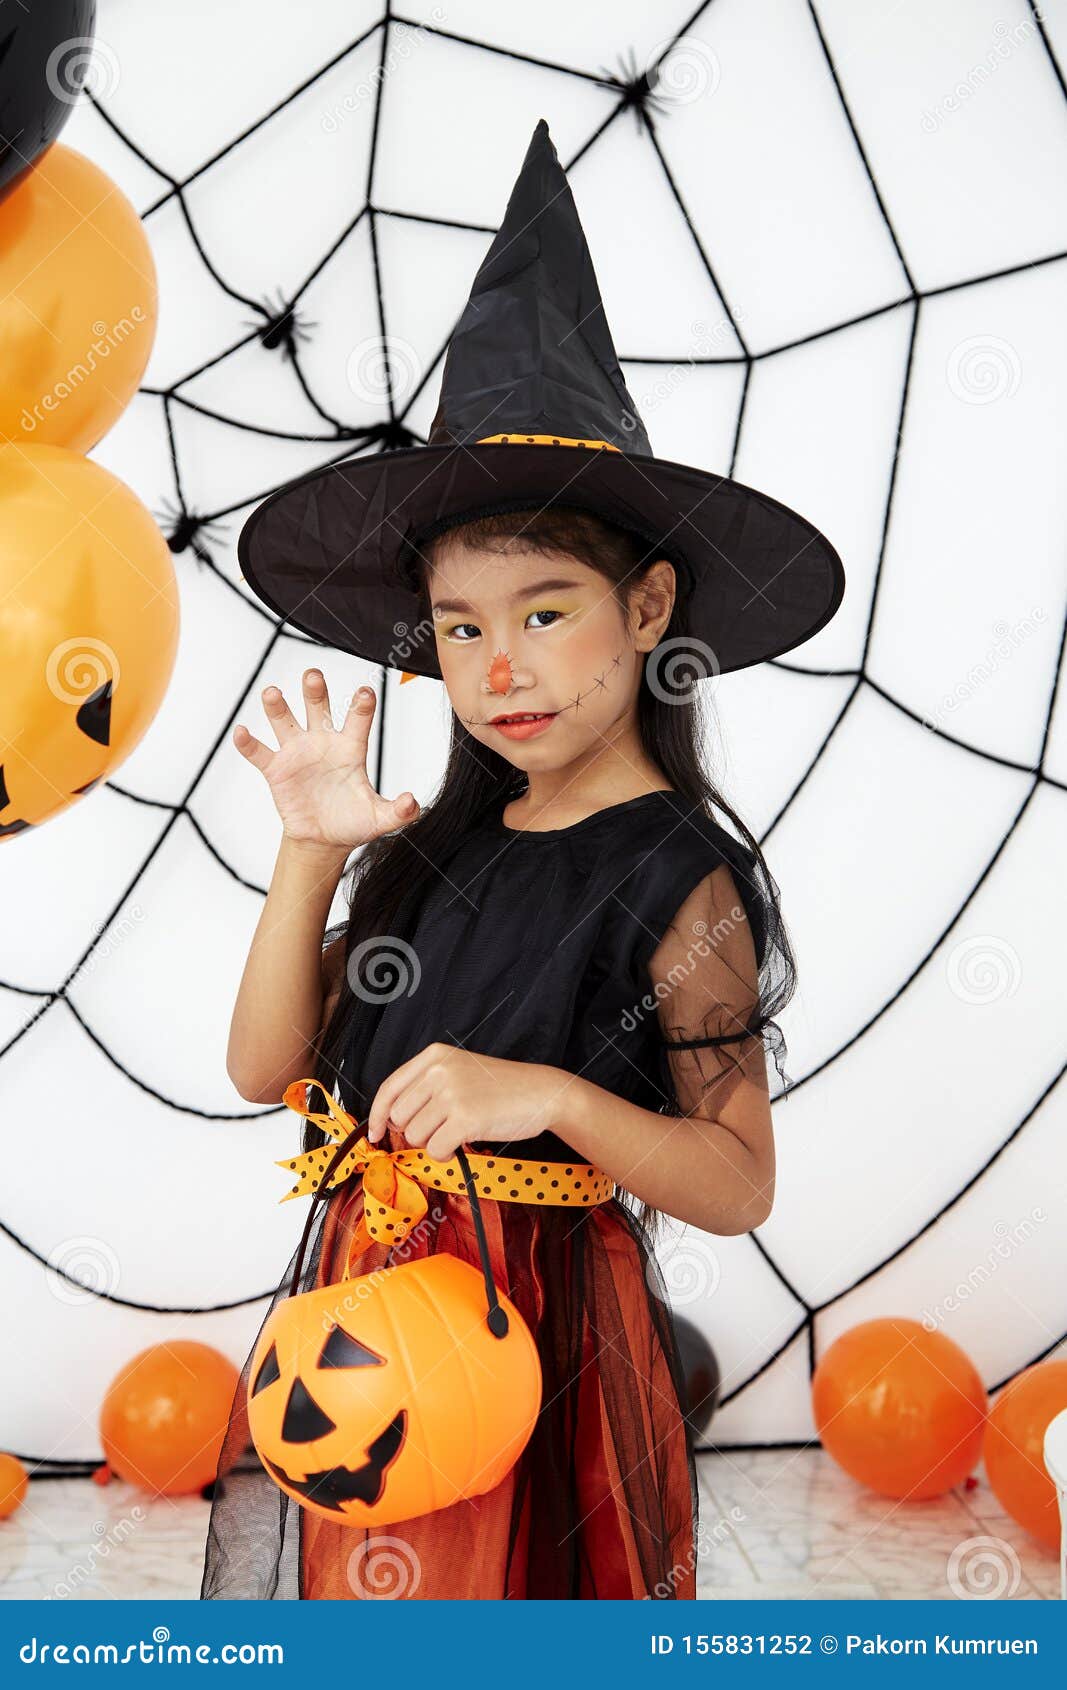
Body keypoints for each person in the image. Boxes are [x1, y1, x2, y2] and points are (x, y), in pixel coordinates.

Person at [199, 119, 843, 1602]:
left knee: (519, 1612)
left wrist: (544, 1093)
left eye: (548, 610)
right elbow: (261, 1067)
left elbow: (736, 1180)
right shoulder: (435, 846)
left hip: (535, 1332)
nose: (503, 666)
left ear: (649, 603)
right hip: (366, 1312)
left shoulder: (676, 879)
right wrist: (307, 855)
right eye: (466, 626)